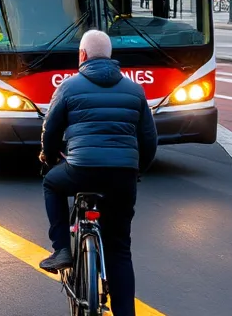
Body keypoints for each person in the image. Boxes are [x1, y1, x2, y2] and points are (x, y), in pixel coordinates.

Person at [39, 29, 157, 316]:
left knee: (52, 184)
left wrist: (49, 157)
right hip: (123, 176)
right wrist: (136, 169)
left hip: (81, 169)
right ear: (110, 56)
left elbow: (51, 131)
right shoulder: (135, 90)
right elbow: (150, 141)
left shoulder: (68, 86)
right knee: (119, 248)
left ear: (82, 56)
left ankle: (62, 249)